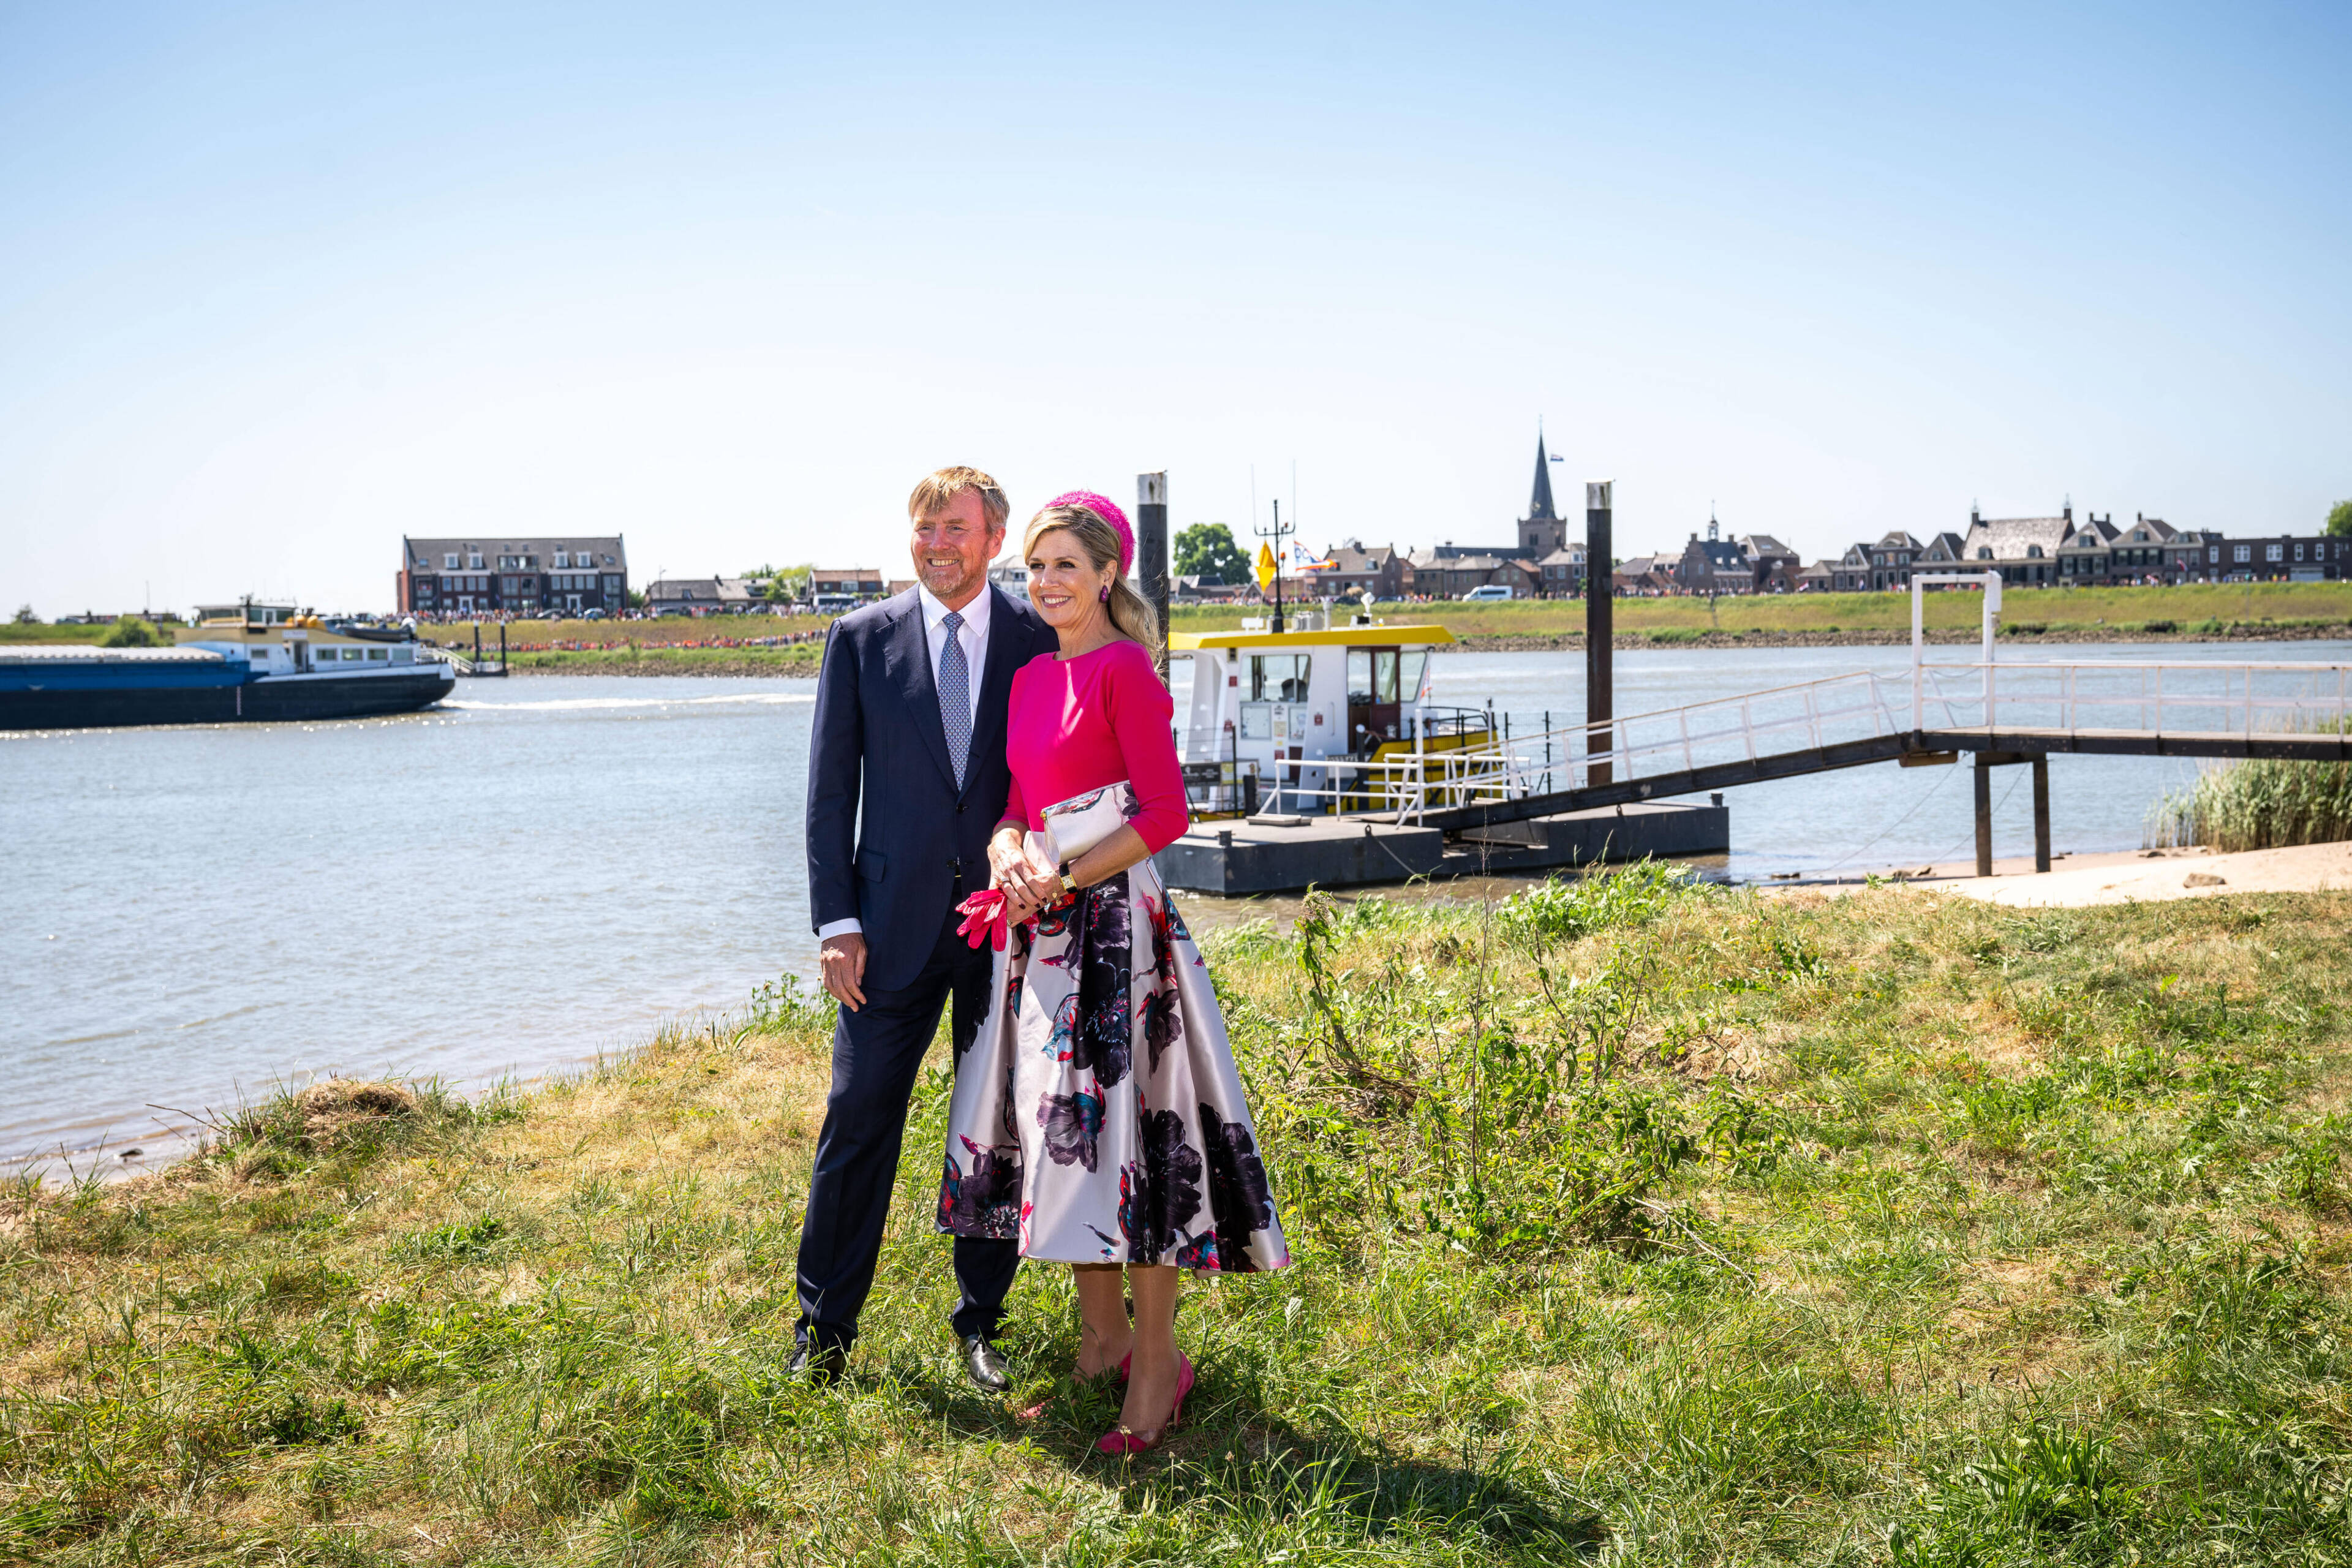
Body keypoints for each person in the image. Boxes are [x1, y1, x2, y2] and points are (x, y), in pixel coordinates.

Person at [939, 491, 1289, 1455]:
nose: (1047, 582)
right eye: (1036, 566)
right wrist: (1009, 853)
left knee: (1131, 1142)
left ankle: (1156, 1363)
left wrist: (1061, 879)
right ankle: (1101, 1343)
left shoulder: (1126, 669)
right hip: (1043, 938)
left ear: (1105, 576)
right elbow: (1018, 804)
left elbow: (1166, 812)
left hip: (1114, 936)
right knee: (1067, 1145)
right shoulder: (1030, 679)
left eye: (1066, 565)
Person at [795, 466, 1063, 1389]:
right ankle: (824, 1330)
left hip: (1003, 928)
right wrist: (838, 922)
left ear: (993, 539)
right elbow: (830, 792)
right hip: (885, 931)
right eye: (924, 528)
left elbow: (1060, 775)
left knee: (995, 1127)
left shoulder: (1038, 638)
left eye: (955, 528)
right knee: (857, 1118)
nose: (937, 544)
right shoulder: (859, 639)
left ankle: (982, 1322)